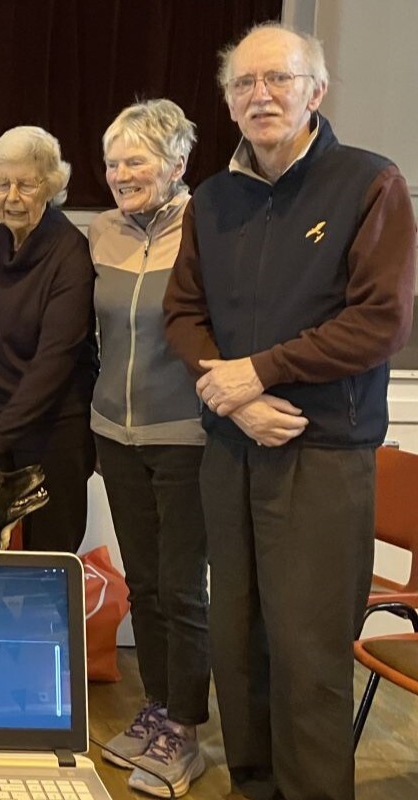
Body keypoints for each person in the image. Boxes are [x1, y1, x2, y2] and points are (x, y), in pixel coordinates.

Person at [163, 23, 415, 800]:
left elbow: (381, 321)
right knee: (238, 645)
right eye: (245, 84)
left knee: (308, 659)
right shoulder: (212, 199)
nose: (261, 95)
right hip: (232, 448)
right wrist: (234, 399)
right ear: (229, 102)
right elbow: (182, 313)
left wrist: (260, 374)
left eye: (278, 79)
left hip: (322, 454)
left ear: (316, 89)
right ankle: (253, 787)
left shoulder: (369, 183)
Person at [89, 100, 209, 797]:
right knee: (147, 585)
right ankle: (160, 708)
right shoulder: (101, 231)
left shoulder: (206, 228)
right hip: (116, 435)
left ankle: (186, 729)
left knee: (183, 589)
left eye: (136, 159)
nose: (121, 173)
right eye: (112, 161)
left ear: (175, 164)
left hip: (187, 436)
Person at [0, 126, 96, 554]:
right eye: (2, 183)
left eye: (26, 184)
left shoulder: (71, 254)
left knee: (47, 570)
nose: (12, 196)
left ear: (50, 186)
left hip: (55, 436)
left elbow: (53, 365)